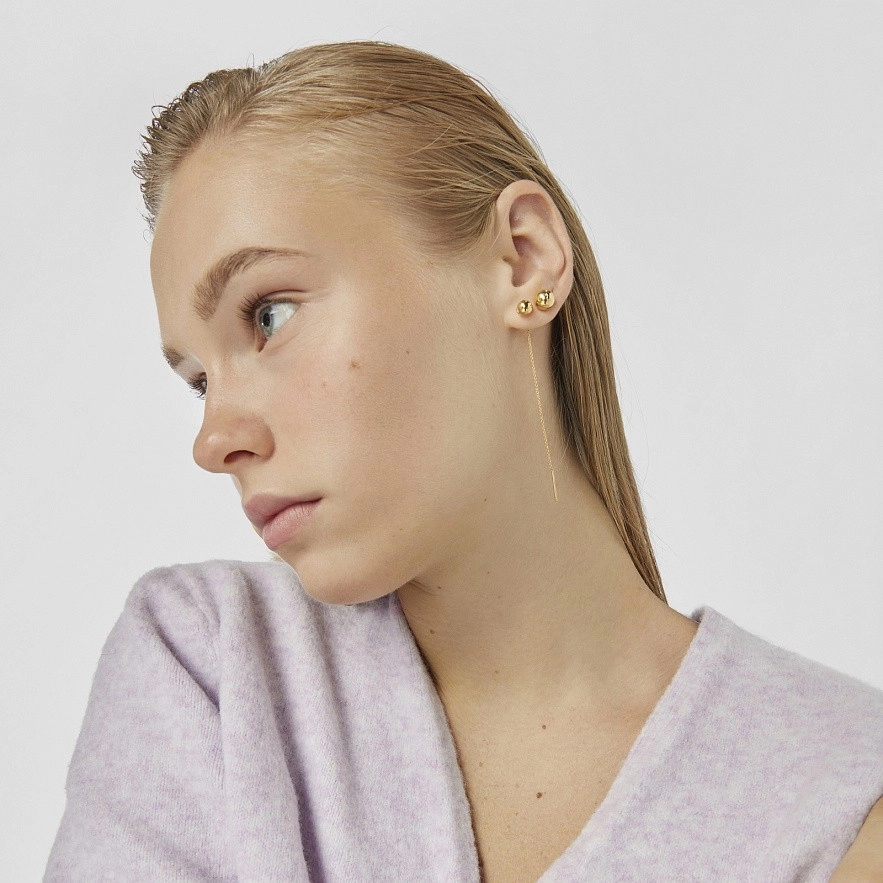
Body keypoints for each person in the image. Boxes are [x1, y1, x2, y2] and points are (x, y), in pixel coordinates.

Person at [45, 40, 882, 882]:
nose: (213, 439)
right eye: (198, 380)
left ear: (522, 259)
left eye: (268, 315)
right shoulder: (214, 667)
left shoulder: (838, 790)